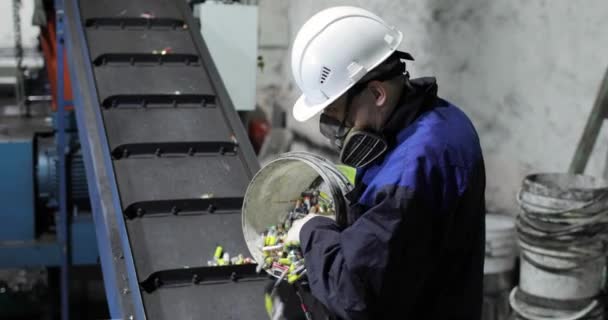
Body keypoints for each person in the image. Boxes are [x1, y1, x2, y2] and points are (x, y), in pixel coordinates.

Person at [284, 6, 486, 320]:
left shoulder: (414, 167)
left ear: (377, 93)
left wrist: (311, 230)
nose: (340, 131)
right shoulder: (442, 118)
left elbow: (355, 293)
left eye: (342, 115)